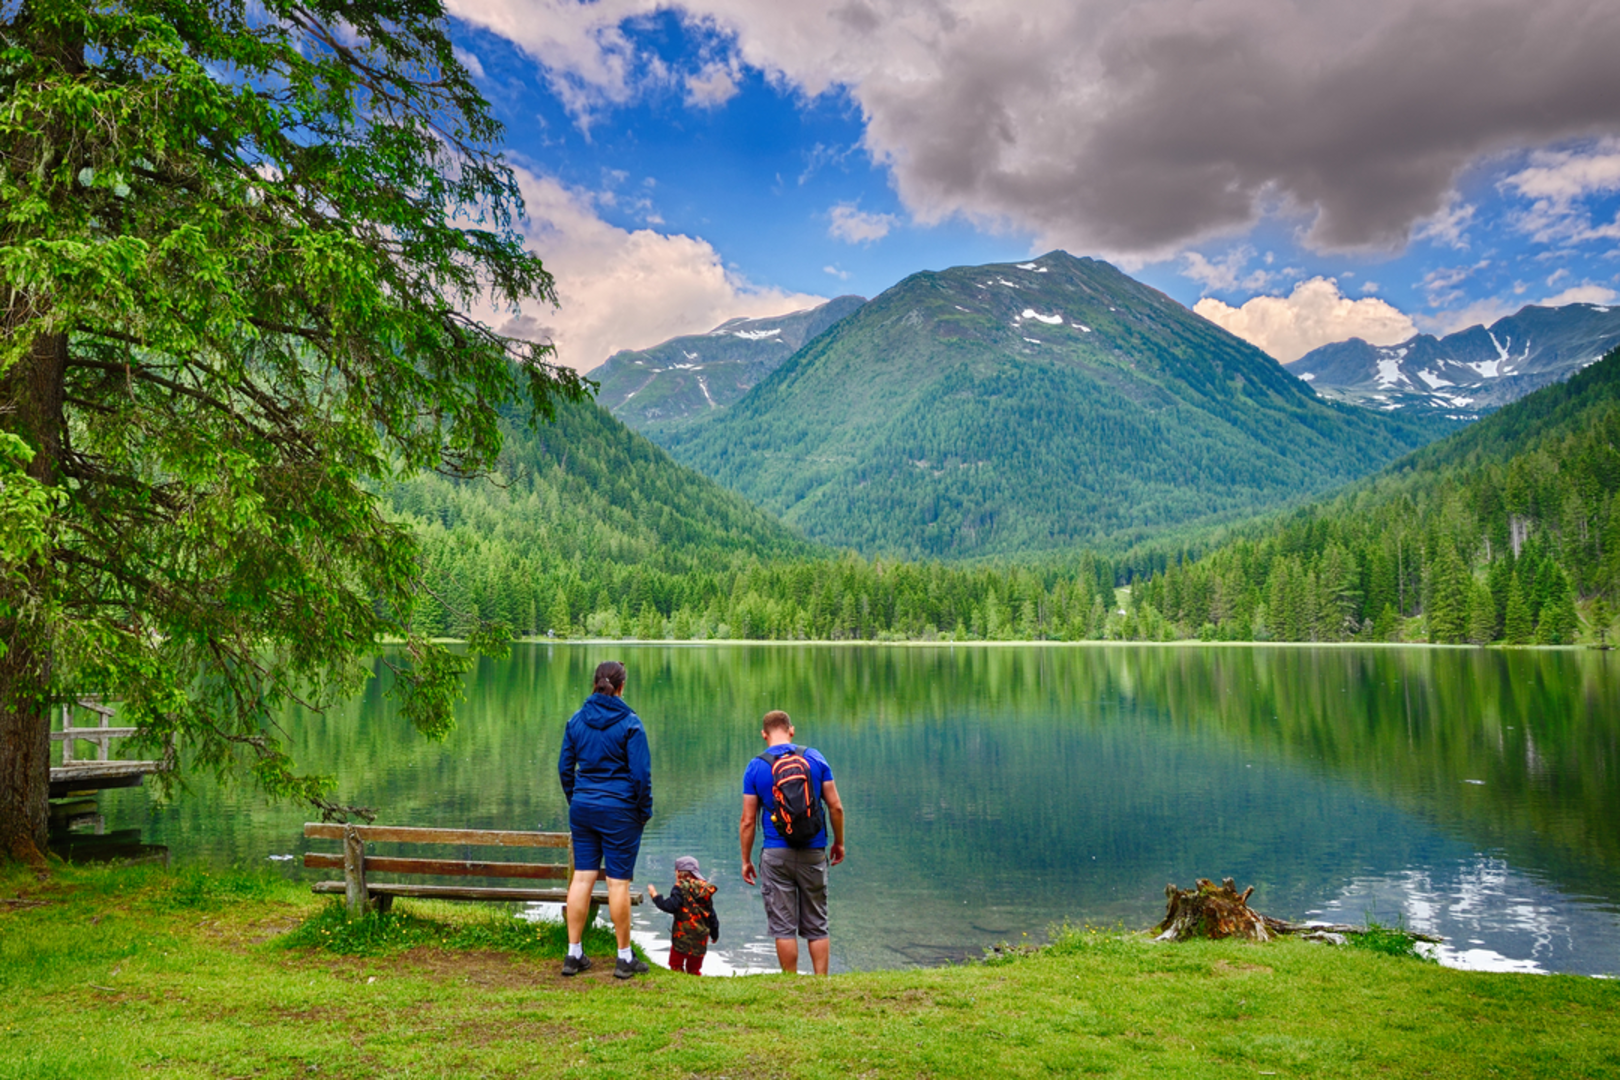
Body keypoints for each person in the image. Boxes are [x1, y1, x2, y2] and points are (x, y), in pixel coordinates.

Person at [557, 660, 652, 979]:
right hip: (620, 811)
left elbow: (564, 769)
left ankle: (573, 954)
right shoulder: (630, 723)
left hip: (583, 808)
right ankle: (624, 957)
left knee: (582, 878)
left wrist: (577, 799)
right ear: (621, 687)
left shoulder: (576, 720)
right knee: (617, 882)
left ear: (594, 684)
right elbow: (641, 775)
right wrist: (642, 810)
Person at [739, 709, 845, 975]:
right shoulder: (814, 758)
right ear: (791, 730)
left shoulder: (756, 766)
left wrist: (746, 860)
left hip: (776, 854)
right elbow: (836, 807)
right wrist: (838, 843)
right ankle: (821, 983)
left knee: (783, 926)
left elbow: (748, 821)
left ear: (764, 735)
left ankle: (791, 983)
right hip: (813, 850)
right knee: (817, 923)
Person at [646, 855, 720, 976]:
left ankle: (678, 981)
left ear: (678, 873)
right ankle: (694, 980)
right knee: (694, 969)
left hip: (682, 937)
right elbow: (711, 915)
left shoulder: (679, 888)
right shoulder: (705, 891)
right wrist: (715, 933)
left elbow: (670, 906)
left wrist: (655, 896)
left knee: (676, 965)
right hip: (700, 939)